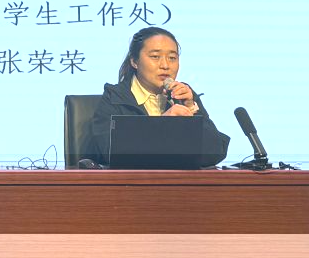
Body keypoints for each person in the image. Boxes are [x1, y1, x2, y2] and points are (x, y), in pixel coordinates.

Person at [81, 26, 219, 165]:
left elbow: (216, 152)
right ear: (134, 61)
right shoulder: (115, 98)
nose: (165, 65)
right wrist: (163, 124)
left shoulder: (183, 96)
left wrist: (191, 108)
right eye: (155, 57)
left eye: (172, 58)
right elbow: (111, 153)